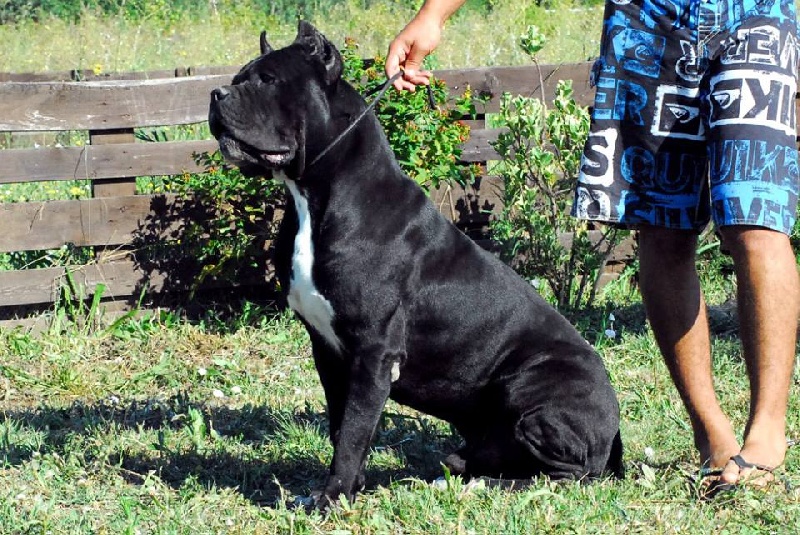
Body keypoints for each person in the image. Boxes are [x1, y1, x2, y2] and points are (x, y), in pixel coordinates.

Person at [386, 0, 799, 491]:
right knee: (662, 226)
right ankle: (712, 433)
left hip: (755, 13)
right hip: (649, 20)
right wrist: (433, 16)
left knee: (756, 216)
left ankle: (767, 431)